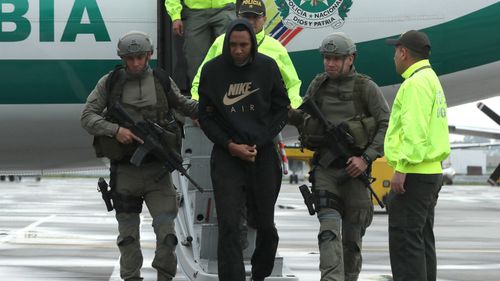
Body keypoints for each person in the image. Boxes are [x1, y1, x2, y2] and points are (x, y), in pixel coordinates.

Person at [80, 31, 198, 281]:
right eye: (129, 58)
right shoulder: (109, 83)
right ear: (122, 58)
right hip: (126, 173)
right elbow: (88, 117)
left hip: (158, 173)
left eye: (140, 57)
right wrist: (116, 130)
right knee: (128, 238)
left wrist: (208, 107)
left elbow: (183, 104)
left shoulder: (162, 80)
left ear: (150, 56)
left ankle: (165, 276)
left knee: (167, 235)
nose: (135, 63)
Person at [288, 32, 390, 281]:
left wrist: (365, 158)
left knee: (352, 242)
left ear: (351, 58)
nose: (330, 63)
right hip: (325, 171)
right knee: (329, 233)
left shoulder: (366, 88)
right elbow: (303, 118)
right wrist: (284, 110)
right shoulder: (318, 85)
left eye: (336, 58)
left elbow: (386, 125)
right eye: (326, 58)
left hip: (356, 174)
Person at [197, 19, 290, 281]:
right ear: (227, 44)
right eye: (234, 45)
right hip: (228, 156)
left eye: (244, 45)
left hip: (262, 154)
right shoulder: (212, 71)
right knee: (228, 225)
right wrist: (230, 146)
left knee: (266, 226)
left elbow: (281, 109)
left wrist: (260, 142)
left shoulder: (267, 67)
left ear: (252, 44)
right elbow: (205, 117)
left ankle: (260, 275)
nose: (238, 50)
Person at [385, 30, 450, 281]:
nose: (394, 58)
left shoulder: (414, 83)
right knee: (422, 241)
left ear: (403, 52)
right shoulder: (430, 78)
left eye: (395, 52)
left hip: (414, 172)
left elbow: (415, 130)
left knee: (405, 244)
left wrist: (402, 168)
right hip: (430, 171)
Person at [190, 0, 302, 109]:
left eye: (256, 17)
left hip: (262, 111)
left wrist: (293, 105)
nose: (251, 22)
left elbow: (293, 83)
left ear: (264, 19)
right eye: (246, 17)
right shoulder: (221, 42)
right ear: (238, 16)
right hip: (226, 110)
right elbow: (201, 76)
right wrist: (196, 101)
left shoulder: (276, 47)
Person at [164, 0, 236, 83]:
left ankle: (232, 89)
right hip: (196, 12)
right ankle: (198, 93)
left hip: (225, 8)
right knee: (195, 58)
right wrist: (175, 16)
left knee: (232, 50)